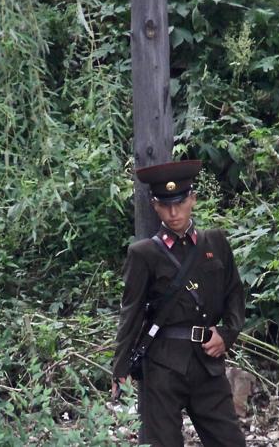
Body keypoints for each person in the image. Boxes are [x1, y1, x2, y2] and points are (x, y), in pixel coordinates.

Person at [112, 159, 247, 447]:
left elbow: (234, 293)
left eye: (180, 202)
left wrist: (227, 334)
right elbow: (131, 312)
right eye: (165, 204)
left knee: (230, 442)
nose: (174, 213)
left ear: (193, 199)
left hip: (208, 363)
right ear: (155, 205)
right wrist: (120, 367)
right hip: (161, 366)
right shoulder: (143, 253)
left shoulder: (216, 242)